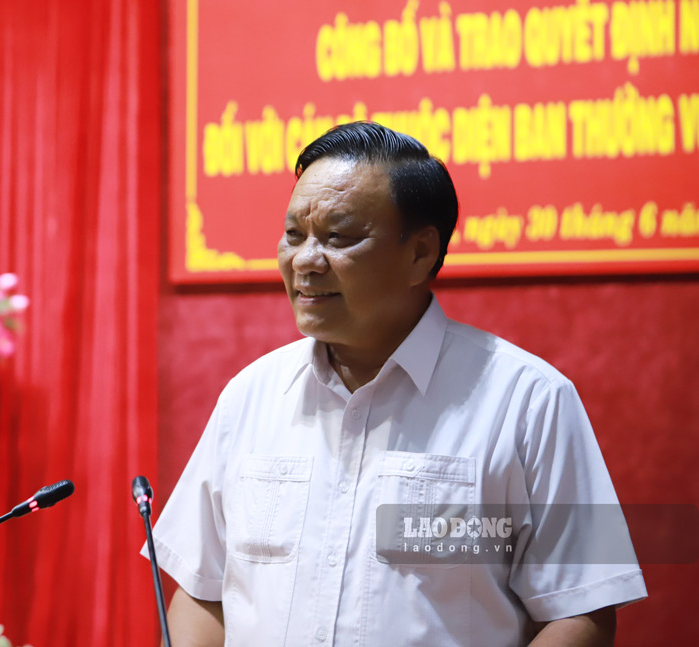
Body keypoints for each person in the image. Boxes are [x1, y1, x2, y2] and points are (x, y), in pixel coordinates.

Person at [146, 122, 646, 646]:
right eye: (295, 235)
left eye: (338, 237)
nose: (305, 260)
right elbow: (204, 593)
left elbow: (581, 611)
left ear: (420, 253)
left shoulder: (532, 400)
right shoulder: (249, 396)